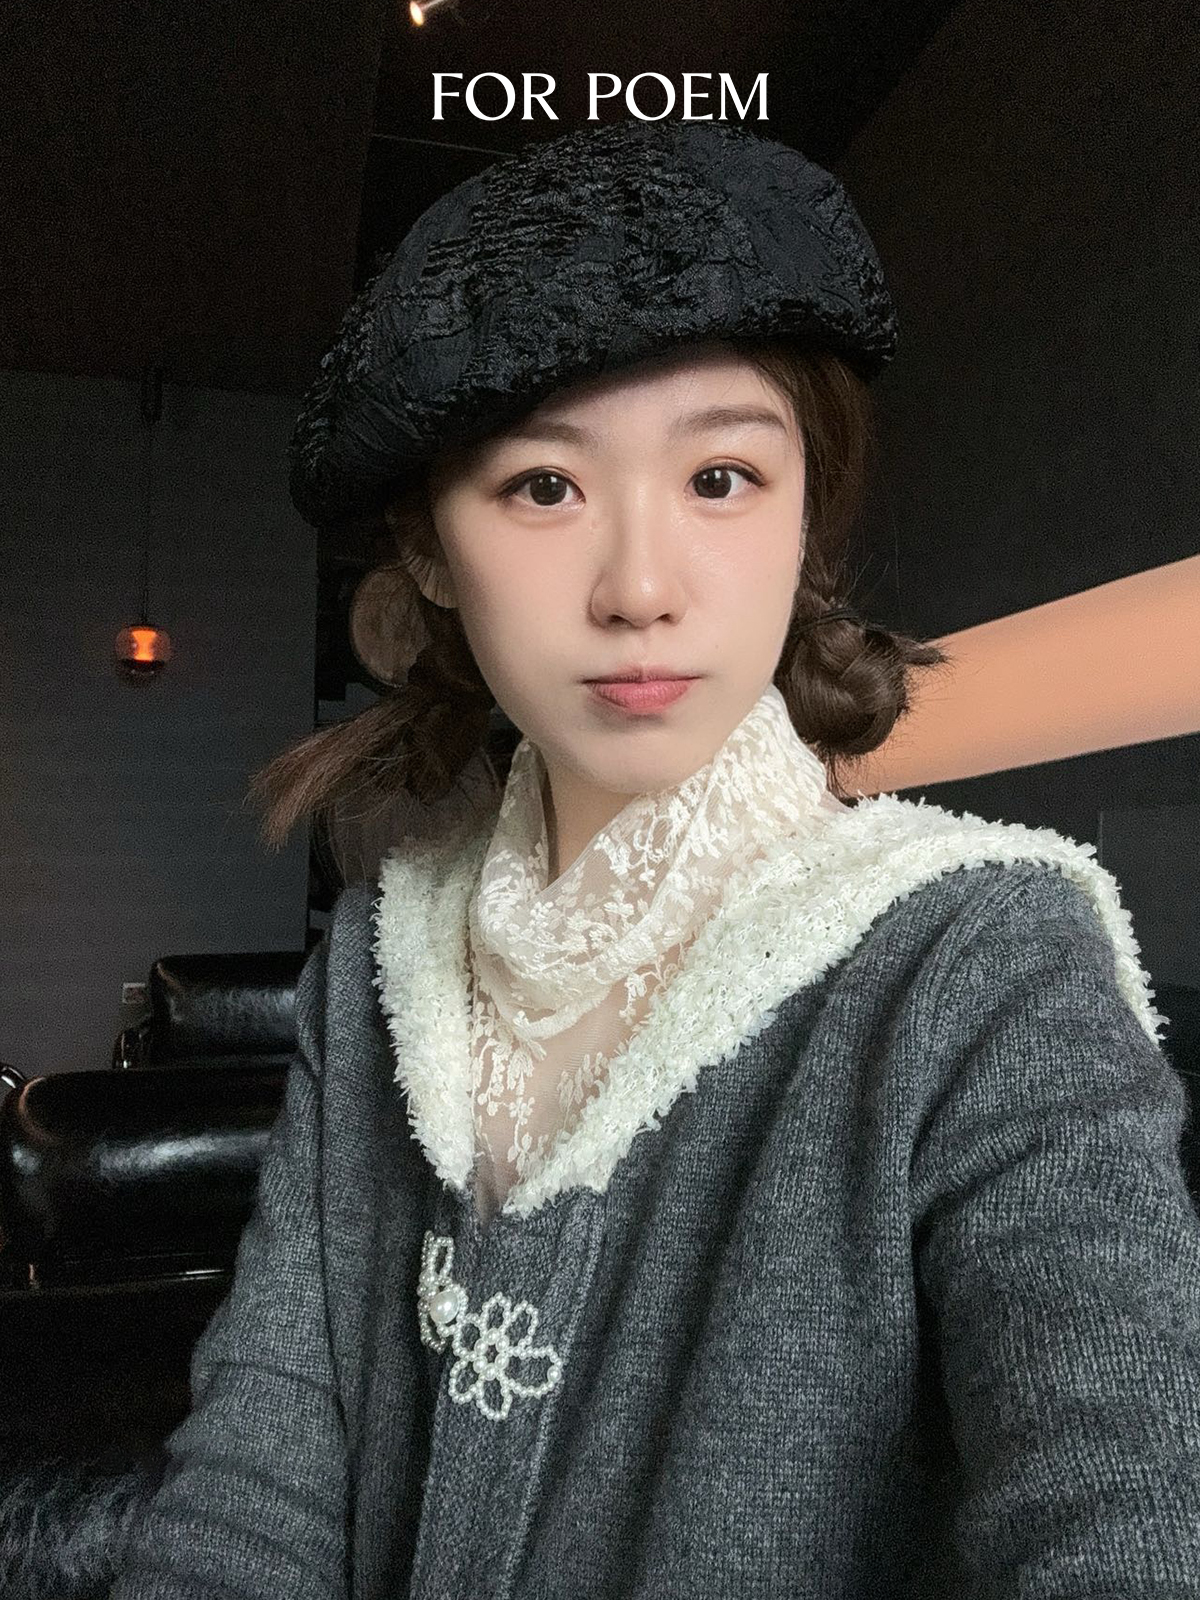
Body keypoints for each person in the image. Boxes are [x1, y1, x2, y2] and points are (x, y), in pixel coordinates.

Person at [99, 119, 1200, 1599]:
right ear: (428, 550)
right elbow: (257, 1476)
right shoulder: (379, 960)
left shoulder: (981, 963)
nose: (638, 587)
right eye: (543, 487)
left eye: (723, 478)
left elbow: (1127, 1501)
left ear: (805, 516)